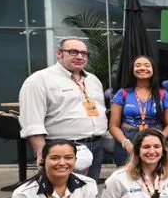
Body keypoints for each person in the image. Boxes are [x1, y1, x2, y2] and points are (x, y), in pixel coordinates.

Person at [18, 37, 107, 181]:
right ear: (59, 53)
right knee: (61, 194)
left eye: (84, 53)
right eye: (73, 52)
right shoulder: (39, 80)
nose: (79, 56)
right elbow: (32, 122)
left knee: (88, 192)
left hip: (95, 146)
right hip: (62, 149)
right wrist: (41, 152)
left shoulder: (93, 80)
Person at [109, 55, 168, 166]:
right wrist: (126, 143)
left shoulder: (163, 94)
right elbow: (113, 126)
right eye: (137, 65)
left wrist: (159, 141)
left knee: (153, 176)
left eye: (147, 65)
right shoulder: (123, 93)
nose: (142, 68)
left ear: (153, 70)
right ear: (132, 70)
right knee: (127, 178)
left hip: (154, 139)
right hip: (127, 140)